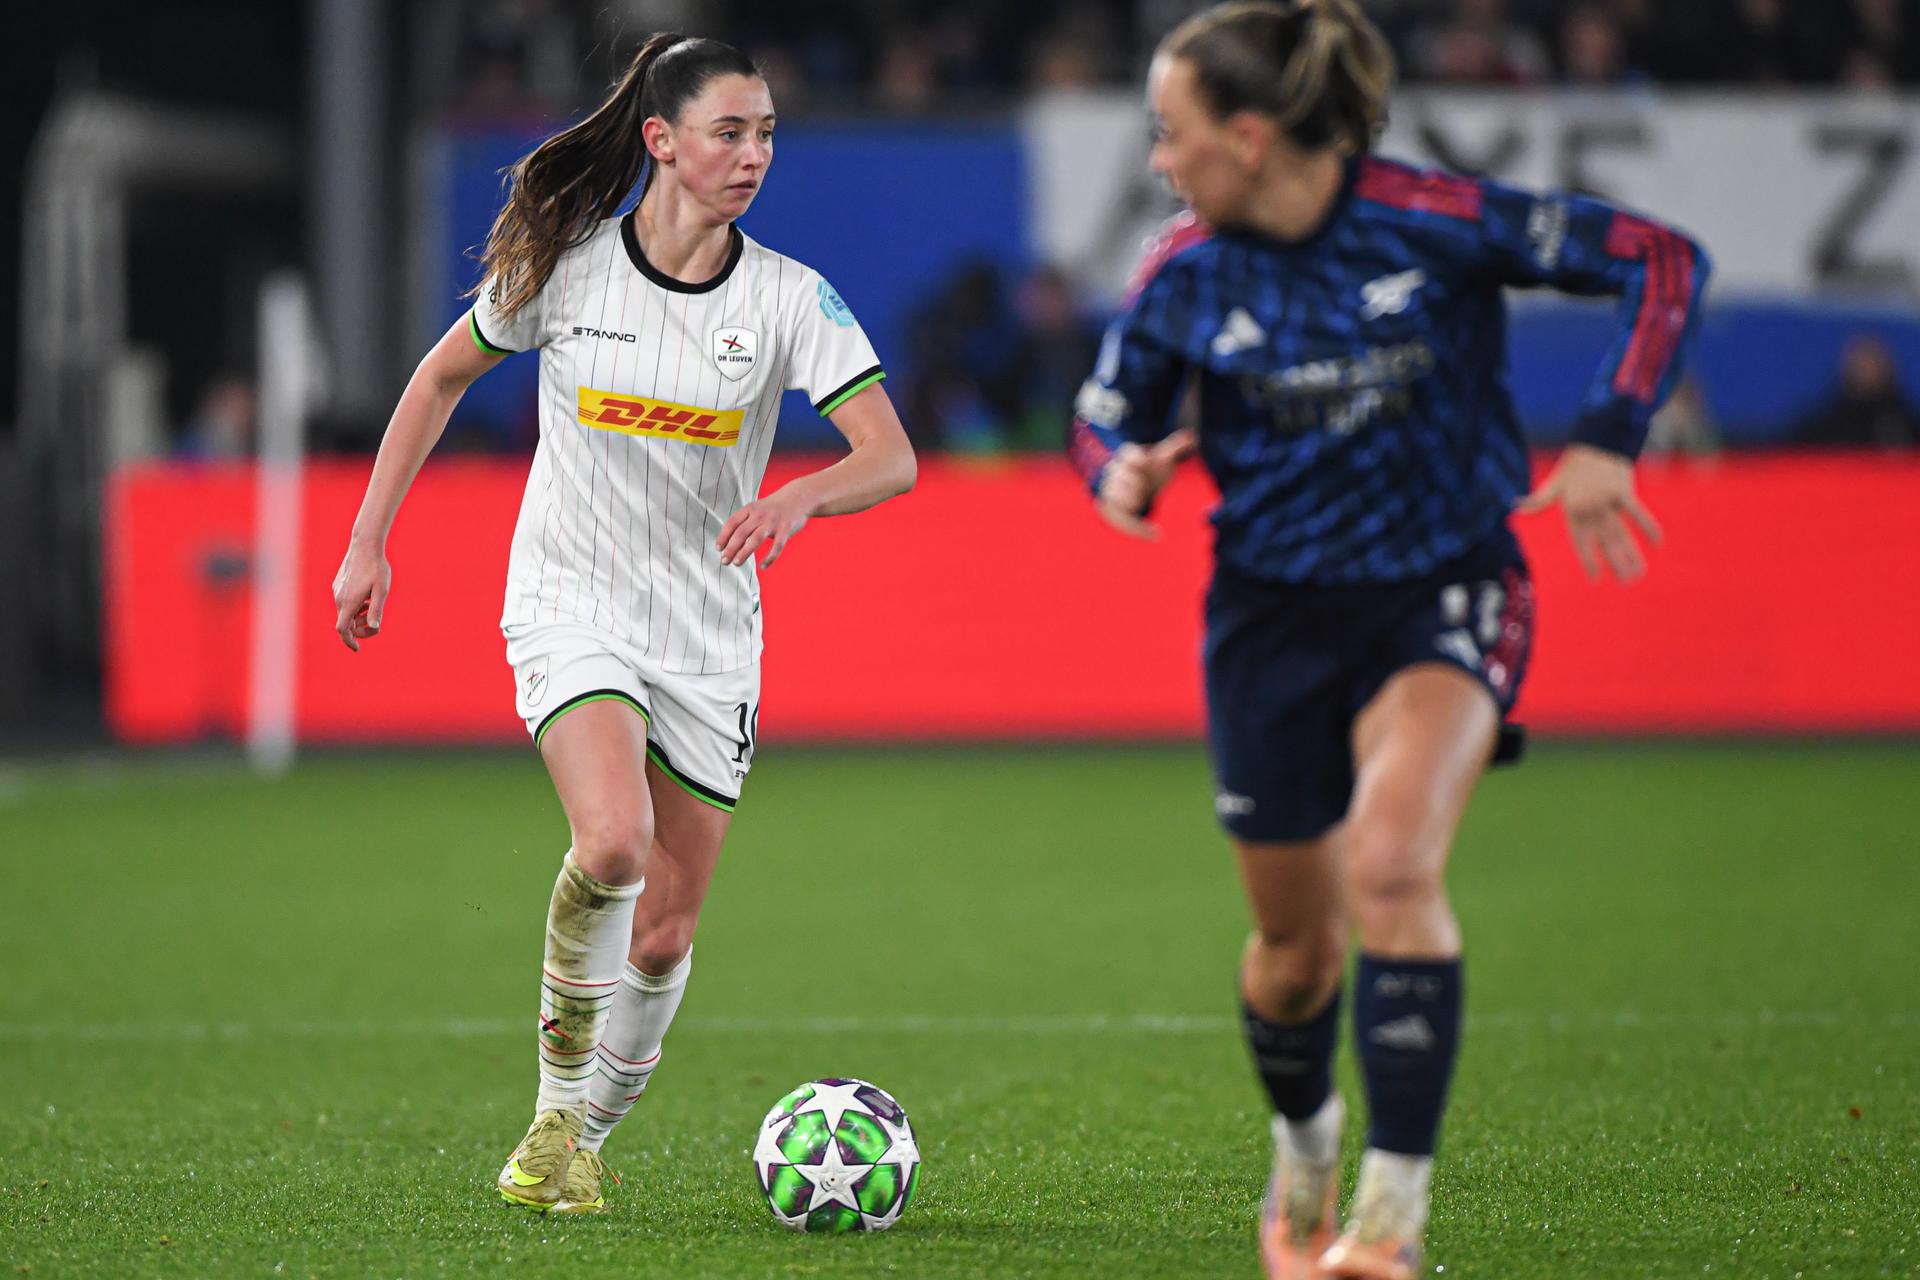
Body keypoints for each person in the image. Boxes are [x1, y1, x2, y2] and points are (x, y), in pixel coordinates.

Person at [1067, 3, 1709, 1276]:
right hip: (1270, 621)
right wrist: (1118, 473)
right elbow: (1098, 419)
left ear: (1250, 137)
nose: (1159, 160)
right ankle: (1306, 1143)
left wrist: (1609, 434)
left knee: (1394, 870)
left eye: (1172, 132)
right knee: (1295, 956)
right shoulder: (1183, 270)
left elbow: (1659, 256)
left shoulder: (1435, 217)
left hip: (1443, 588)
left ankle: (1388, 1224)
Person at [330, 33, 914, 1216]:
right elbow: (439, 378)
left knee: (663, 930)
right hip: (572, 599)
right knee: (612, 841)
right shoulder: (570, 270)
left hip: (708, 635)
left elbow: (890, 455)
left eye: (765, 134)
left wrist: (802, 493)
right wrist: (365, 539)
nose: (753, 155)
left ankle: (584, 1138)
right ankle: (554, 1112)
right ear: (662, 140)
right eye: (728, 132)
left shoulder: (790, 298)